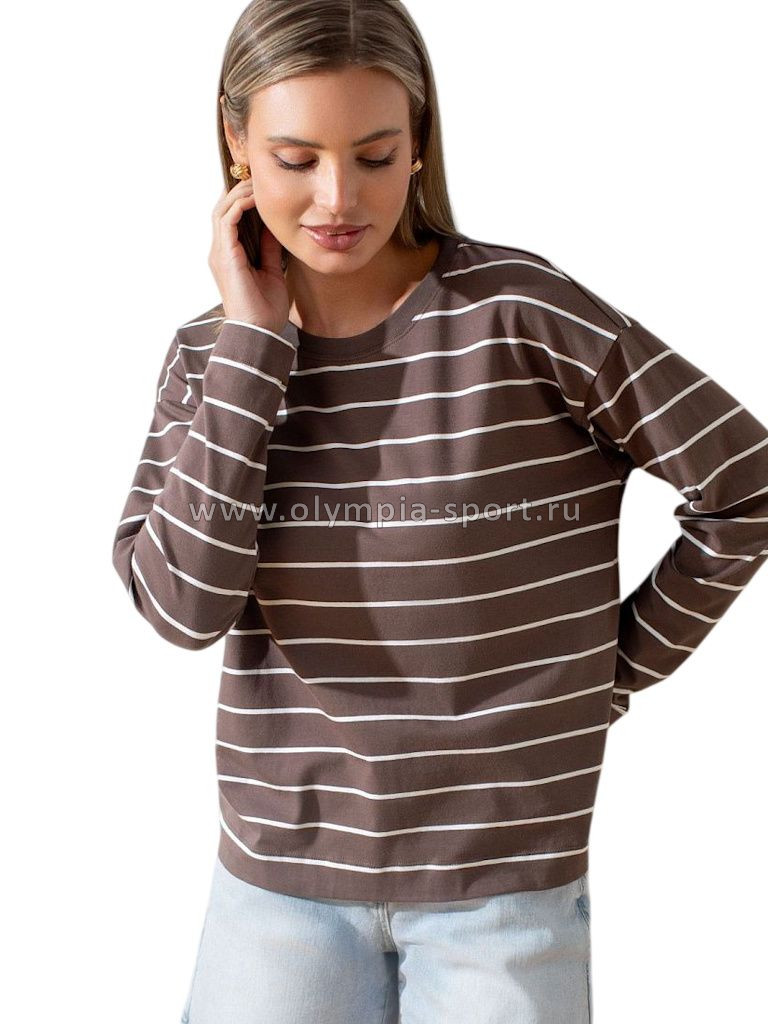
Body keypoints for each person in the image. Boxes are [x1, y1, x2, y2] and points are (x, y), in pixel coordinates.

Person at [110, 2, 768, 1022]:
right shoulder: (210, 357)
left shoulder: (522, 314)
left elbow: (744, 483)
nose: (339, 197)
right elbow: (180, 611)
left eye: (375, 155)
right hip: (277, 889)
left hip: (504, 887)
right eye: (295, 158)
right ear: (236, 143)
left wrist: (613, 668)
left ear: (419, 142)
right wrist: (253, 349)